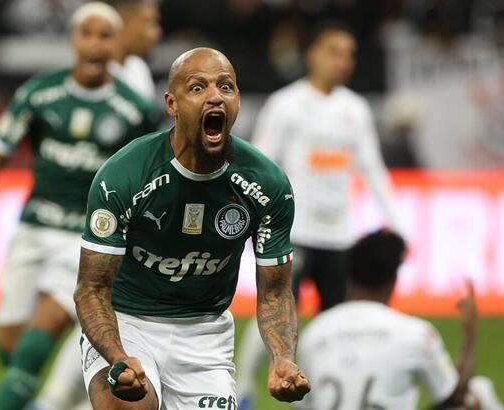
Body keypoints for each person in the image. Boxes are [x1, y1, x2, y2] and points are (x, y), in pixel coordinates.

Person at [0, 3, 160, 409]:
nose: (95, 44)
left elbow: (151, 180)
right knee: (10, 348)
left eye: (104, 36)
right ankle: (67, 392)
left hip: (84, 241)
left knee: (32, 351)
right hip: (32, 230)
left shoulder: (134, 110)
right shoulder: (39, 92)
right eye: (87, 34)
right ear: (72, 40)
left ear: (116, 45)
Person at [75, 47, 311, 409]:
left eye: (226, 87)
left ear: (238, 101)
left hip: (204, 335)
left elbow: (276, 294)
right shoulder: (124, 176)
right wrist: (117, 355)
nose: (215, 95)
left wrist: (282, 357)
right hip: (126, 323)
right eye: (198, 87)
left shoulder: (267, 185)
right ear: (172, 103)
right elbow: (91, 290)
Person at [237, 20, 400, 409]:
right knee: (277, 316)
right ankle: (243, 386)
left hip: (339, 235)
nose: (343, 61)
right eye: (335, 51)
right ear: (312, 55)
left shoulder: (355, 109)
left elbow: (372, 167)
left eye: (349, 54)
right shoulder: (286, 104)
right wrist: (254, 220)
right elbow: (260, 164)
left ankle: (315, 400)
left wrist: (395, 220)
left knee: (334, 327)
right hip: (292, 233)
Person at [29, 2, 163, 409]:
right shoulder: (104, 83)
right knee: (101, 314)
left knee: (111, 320)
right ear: (121, 25)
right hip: (101, 222)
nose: (156, 32)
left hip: (132, 219)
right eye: (149, 22)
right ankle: (51, 401)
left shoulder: (137, 73)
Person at [294, 229, 503, 410]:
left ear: (349, 275)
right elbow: (455, 396)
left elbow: (303, 402)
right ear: (393, 279)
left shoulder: (314, 332)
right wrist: (470, 334)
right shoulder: (414, 333)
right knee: (479, 391)